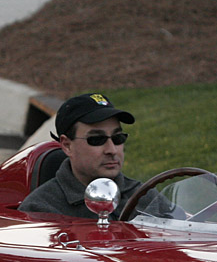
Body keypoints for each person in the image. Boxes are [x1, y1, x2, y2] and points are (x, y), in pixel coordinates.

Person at [19, 92, 171, 219]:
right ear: (67, 145)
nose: (112, 150)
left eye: (118, 138)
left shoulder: (145, 197)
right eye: (96, 139)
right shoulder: (40, 209)